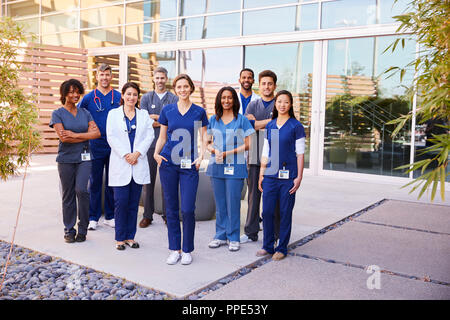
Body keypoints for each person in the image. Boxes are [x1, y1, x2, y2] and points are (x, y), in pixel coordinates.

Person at [154, 74, 208, 265]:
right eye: (179, 87)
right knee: (171, 208)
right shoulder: (167, 110)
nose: (182, 90)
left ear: (191, 88)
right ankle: (174, 249)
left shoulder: (198, 112)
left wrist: (201, 156)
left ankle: (187, 249)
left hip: (189, 166)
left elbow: (204, 138)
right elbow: (162, 137)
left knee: (187, 209)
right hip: (168, 163)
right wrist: (156, 153)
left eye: (186, 86)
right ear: (175, 89)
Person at [50, 79, 101, 243]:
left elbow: (97, 134)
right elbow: (63, 138)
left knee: (82, 190)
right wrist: (83, 135)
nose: (75, 95)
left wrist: (75, 134)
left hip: (84, 157)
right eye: (71, 92)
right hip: (65, 159)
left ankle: (83, 228)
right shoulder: (57, 113)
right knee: (68, 194)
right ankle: (69, 229)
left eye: (77, 91)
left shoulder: (85, 113)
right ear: (64, 94)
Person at [258, 90, 305, 261]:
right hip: (270, 174)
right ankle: (267, 245)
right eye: (279, 102)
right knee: (268, 211)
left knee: (285, 212)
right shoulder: (271, 126)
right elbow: (266, 151)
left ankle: (282, 247)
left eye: (286, 102)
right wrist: (261, 174)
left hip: (288, 177)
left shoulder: (296, 126)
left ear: (290, 104)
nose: (282, 105)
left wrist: (299, 177)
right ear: (275, 104)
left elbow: (300, 154)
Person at [106, 82, 154, 250]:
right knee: (120, 202)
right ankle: (119, 238)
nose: (131, 97)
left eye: (134, 94)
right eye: (128, 94)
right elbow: (110, 136)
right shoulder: (113, 114)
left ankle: (130, 237)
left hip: (138, 162)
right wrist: (126, 154)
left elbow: (150, 135)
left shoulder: (144, 114)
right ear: (123, 95)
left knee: (134, 203)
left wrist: (137, 153)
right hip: (121, 162)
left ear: (138, 97)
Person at [206, 87, 255, 252]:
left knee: (233, 202)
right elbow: (207, 142)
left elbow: (249, 143)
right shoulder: (213, 119)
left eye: (229, 98)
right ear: (219, 100)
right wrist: (215, 151)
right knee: (220, 204)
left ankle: (233, 237)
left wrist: (229, 152)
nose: (226, 101)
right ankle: (220, 236)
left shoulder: (242, 120)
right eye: (223, 98)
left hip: (236, 166)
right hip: (217, 166)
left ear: (234, 100)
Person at [79, 63, 121, 231]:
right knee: (94, 182)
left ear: (111, 77)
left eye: (107, 74)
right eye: (101, 75)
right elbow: (78, 116)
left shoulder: (119, 97)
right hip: (94, 146)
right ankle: (93, 217)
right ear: (96, 77)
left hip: (114, 146)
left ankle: (110, 216)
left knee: (112, 182)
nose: (104, 77)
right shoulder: (89, 98)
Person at [242, 70, 280, 244]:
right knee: (253, 195)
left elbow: (279, 126)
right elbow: (250, 126)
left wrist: (258, 124)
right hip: (255, 153)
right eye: (264, 83)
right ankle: (251, 232)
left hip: (275, 154)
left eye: (270, 83)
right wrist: (270, 122)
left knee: (273, 196)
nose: (267, 86)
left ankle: (275, 234)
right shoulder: (252, 105)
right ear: (259, 85)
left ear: (275, 86)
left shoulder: (279, 103)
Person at [139, 66, 178, 228]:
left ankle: (168, 215)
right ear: (153, 79)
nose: (160, 81)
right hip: (149, 145)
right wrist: (162, 119)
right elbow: (143, 121)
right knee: (148, 182)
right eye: (157, 78)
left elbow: (174, 121)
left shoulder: (174, 99)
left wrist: (155, 118)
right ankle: (148, 215)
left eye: (163, 78)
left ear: (166, 79)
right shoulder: (146, 98)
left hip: (168, 146)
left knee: (167, 182)